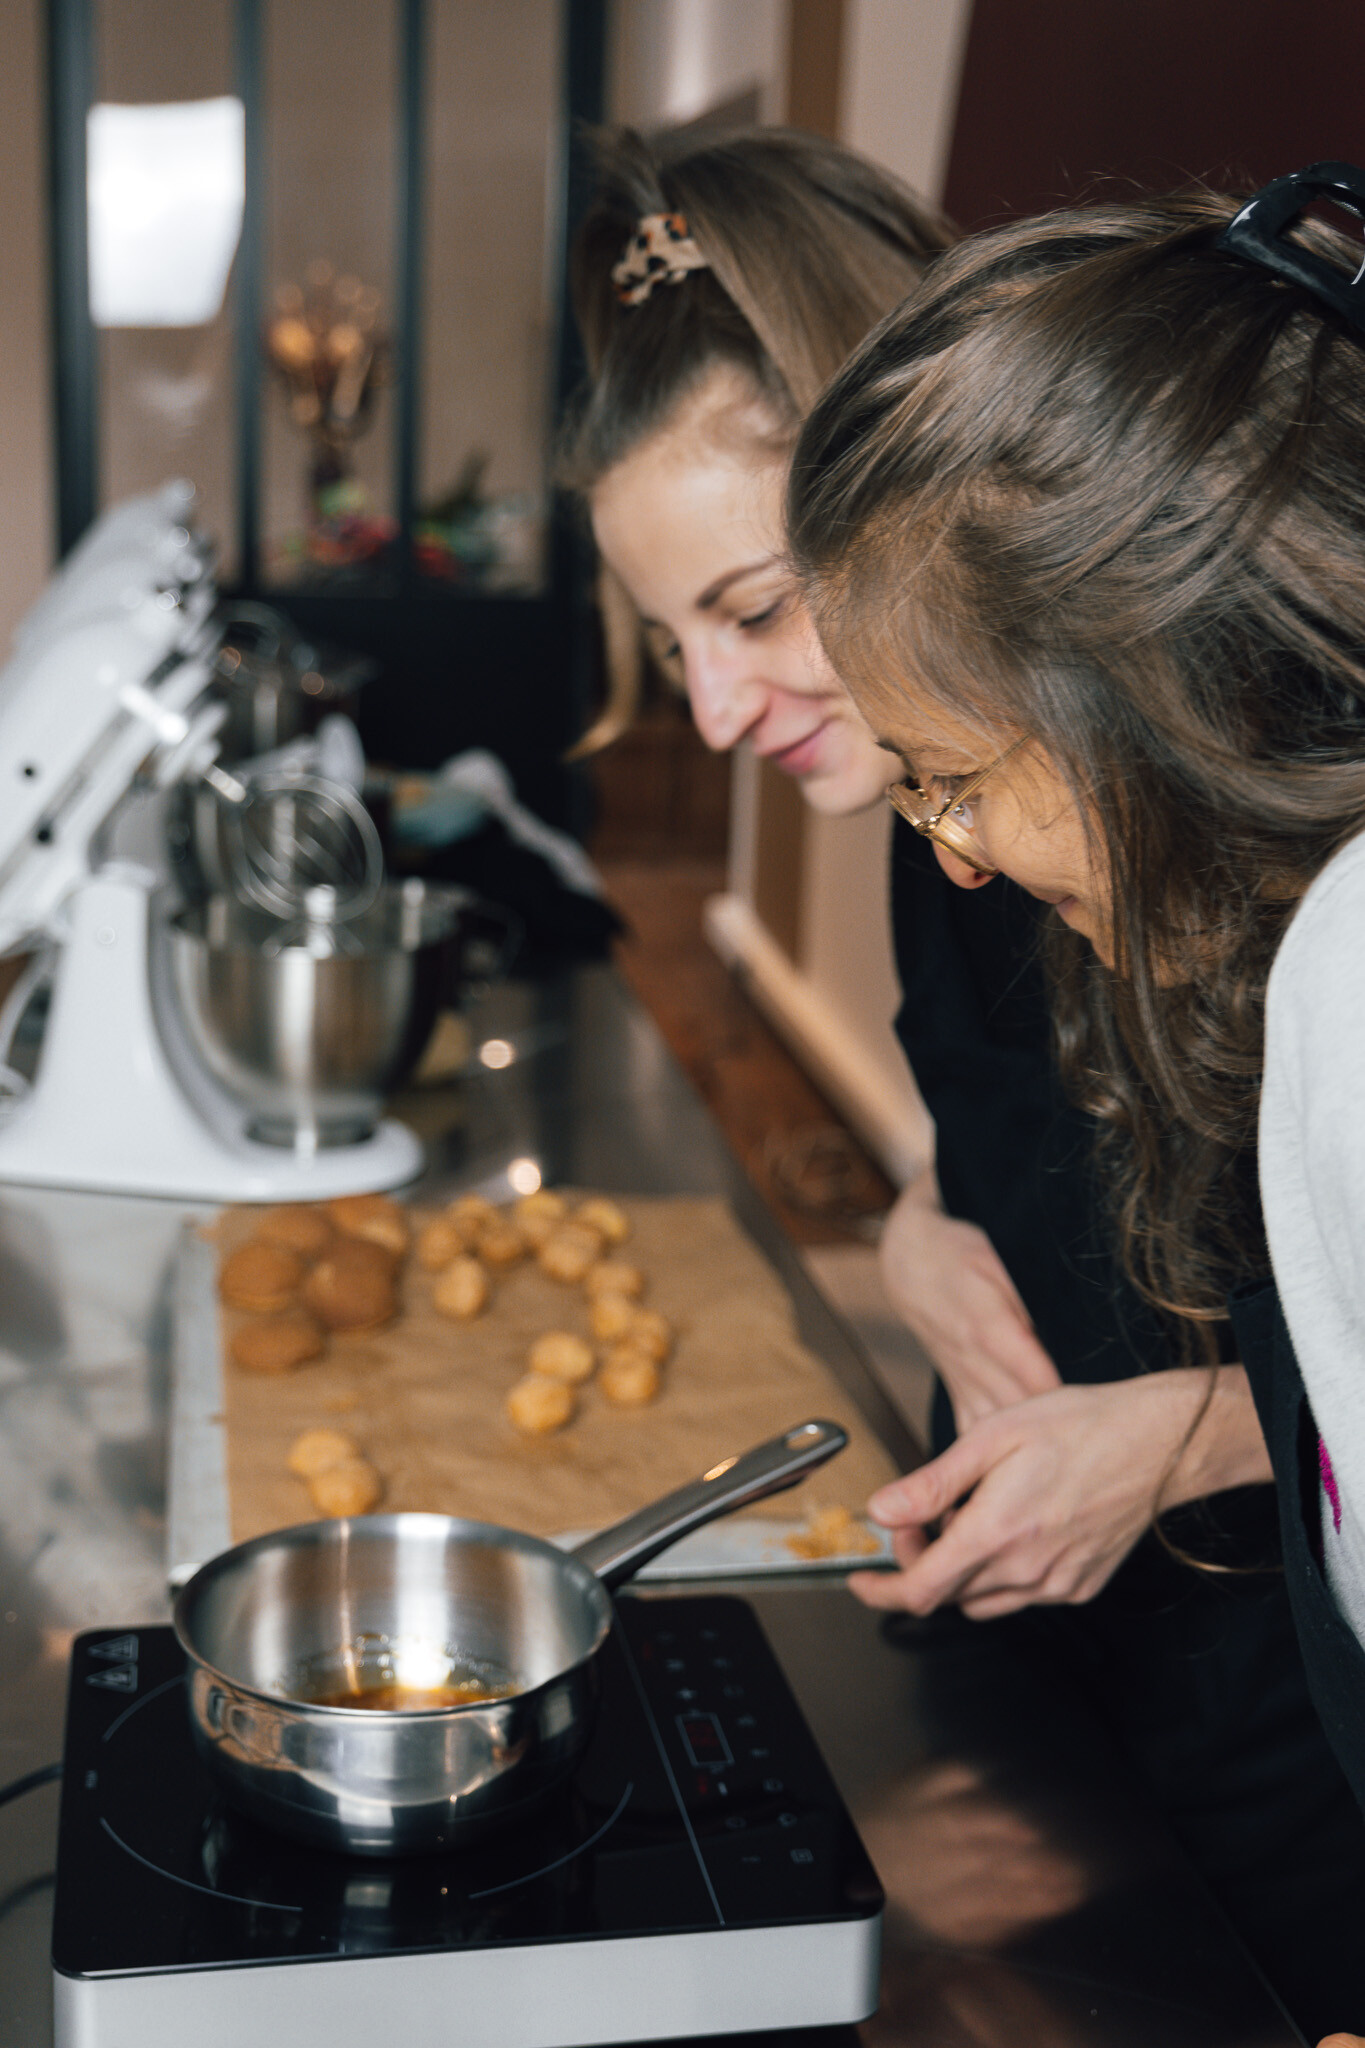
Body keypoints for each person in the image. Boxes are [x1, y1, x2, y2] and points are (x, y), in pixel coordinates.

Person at [567, 132, 1365, 2040]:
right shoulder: (996, 819)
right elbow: (1026, 1153)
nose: (715, 704)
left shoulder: (1290, 925)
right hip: (1072, 1664)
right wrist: (923, 1230)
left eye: (755, 611)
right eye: (667, 638)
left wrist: (1176, 1436)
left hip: (1251, 1715)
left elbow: (1298, 1335)